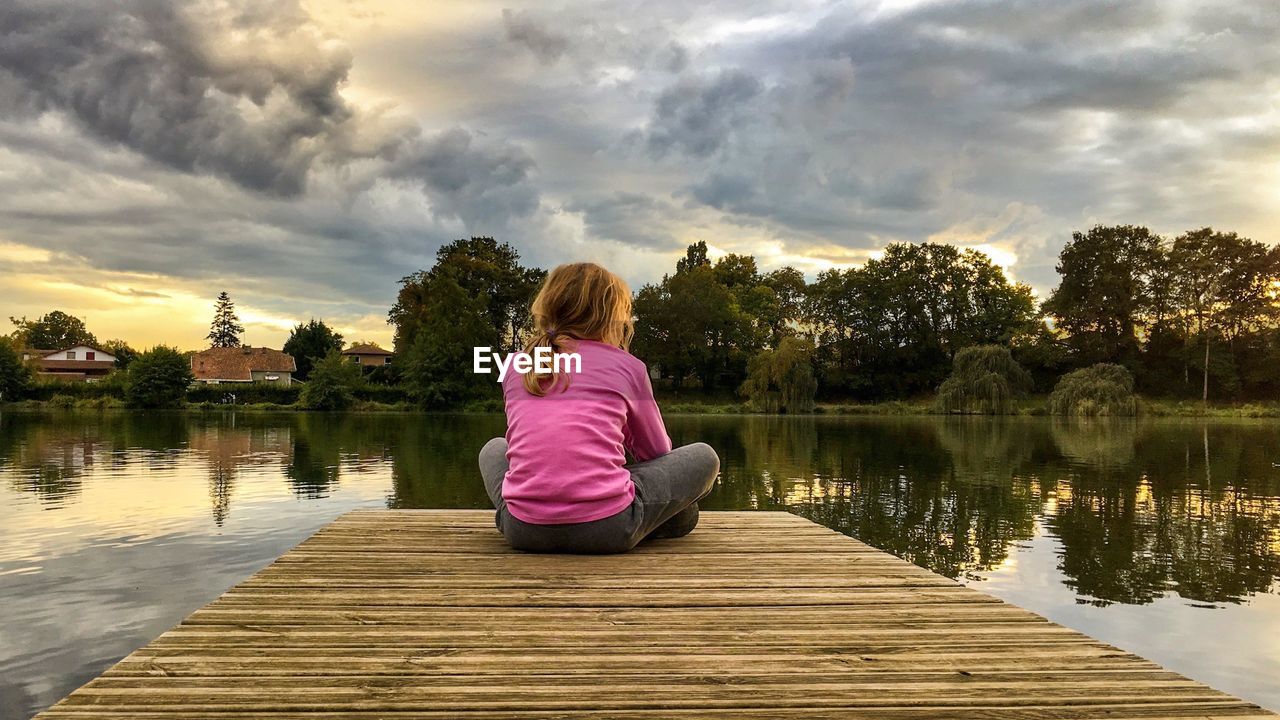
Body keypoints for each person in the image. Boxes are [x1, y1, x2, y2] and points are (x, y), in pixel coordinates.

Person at [478, 262, 720, 554]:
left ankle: (532, 510)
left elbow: (527, 446)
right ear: (611, 316)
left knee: (493, 448)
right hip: (609, 528)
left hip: (523, 531)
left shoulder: (518, 364)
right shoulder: (629, 367)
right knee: (705, 457)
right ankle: (658, 520)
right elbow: (655, 453)